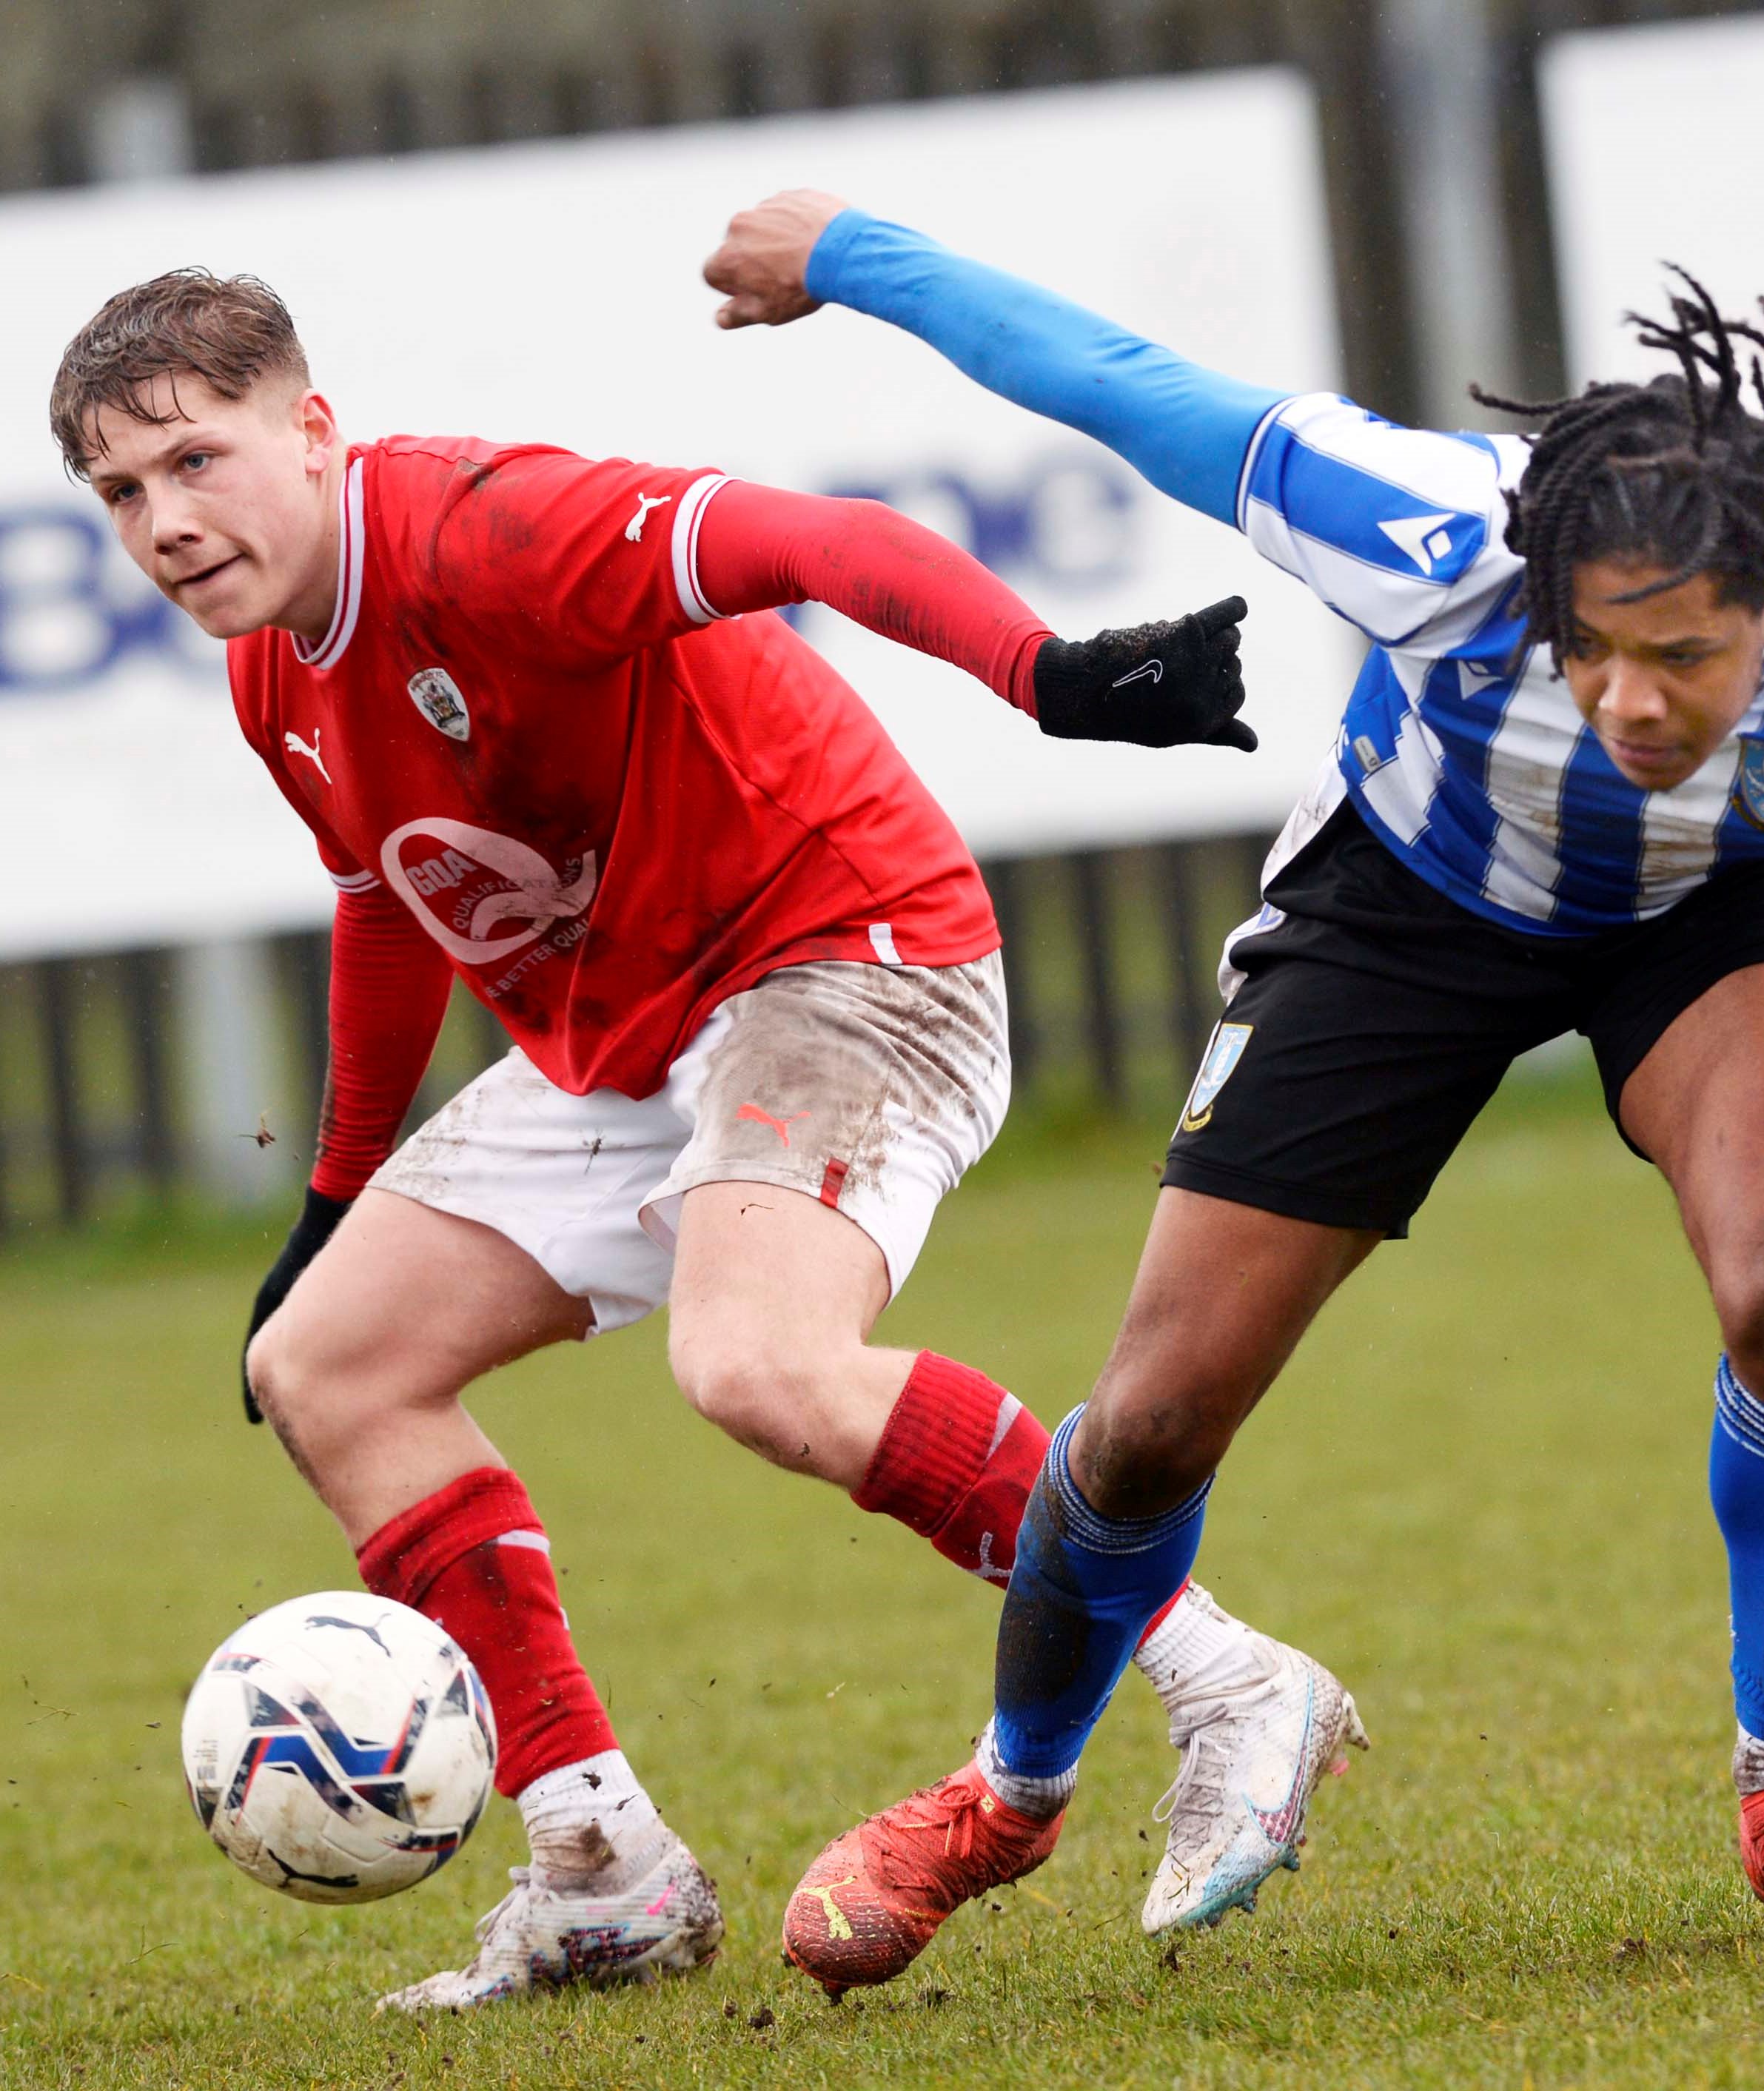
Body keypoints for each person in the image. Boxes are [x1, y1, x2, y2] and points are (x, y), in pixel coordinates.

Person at [702, 194, 1764, 1996]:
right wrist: (851, 253)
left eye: (1688, 658)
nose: (1633, 701)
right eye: (1594, 648)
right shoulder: (1426, 526)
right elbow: (1119, 383)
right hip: (1407, 908)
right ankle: (1010, 1793)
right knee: (1155, 1417)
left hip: (1708, 920)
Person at [50, 267, 1366, 2011]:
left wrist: (1039, 671)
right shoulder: (279, 673)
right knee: (329, 1364)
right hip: (635, 1029)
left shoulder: (484, 530)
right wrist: (336, 1191)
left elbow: (809, 540)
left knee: (753, 1362)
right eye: (120, 494)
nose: (163, 522)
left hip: (845, 951)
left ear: (310, 431)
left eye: (194, 462)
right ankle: (600, 1868)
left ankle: (1226, 1676)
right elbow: (385, 897)